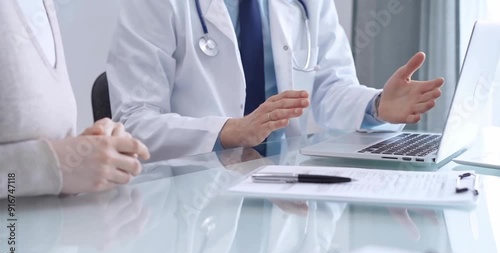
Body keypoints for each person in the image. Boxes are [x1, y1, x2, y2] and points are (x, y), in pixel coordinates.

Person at [107, 0, 444, 160]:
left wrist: (378, 105)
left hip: (284, 183)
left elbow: (328, 88)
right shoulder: (154, 4)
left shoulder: (307, 4)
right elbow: (134, 122)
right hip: (189, 190)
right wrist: (228, 131)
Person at [0, 0, 150, 198]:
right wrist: (55, 165)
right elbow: (50, 165)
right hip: (13, 229)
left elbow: (34, 135)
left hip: (51, 225)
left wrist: (88, 149)